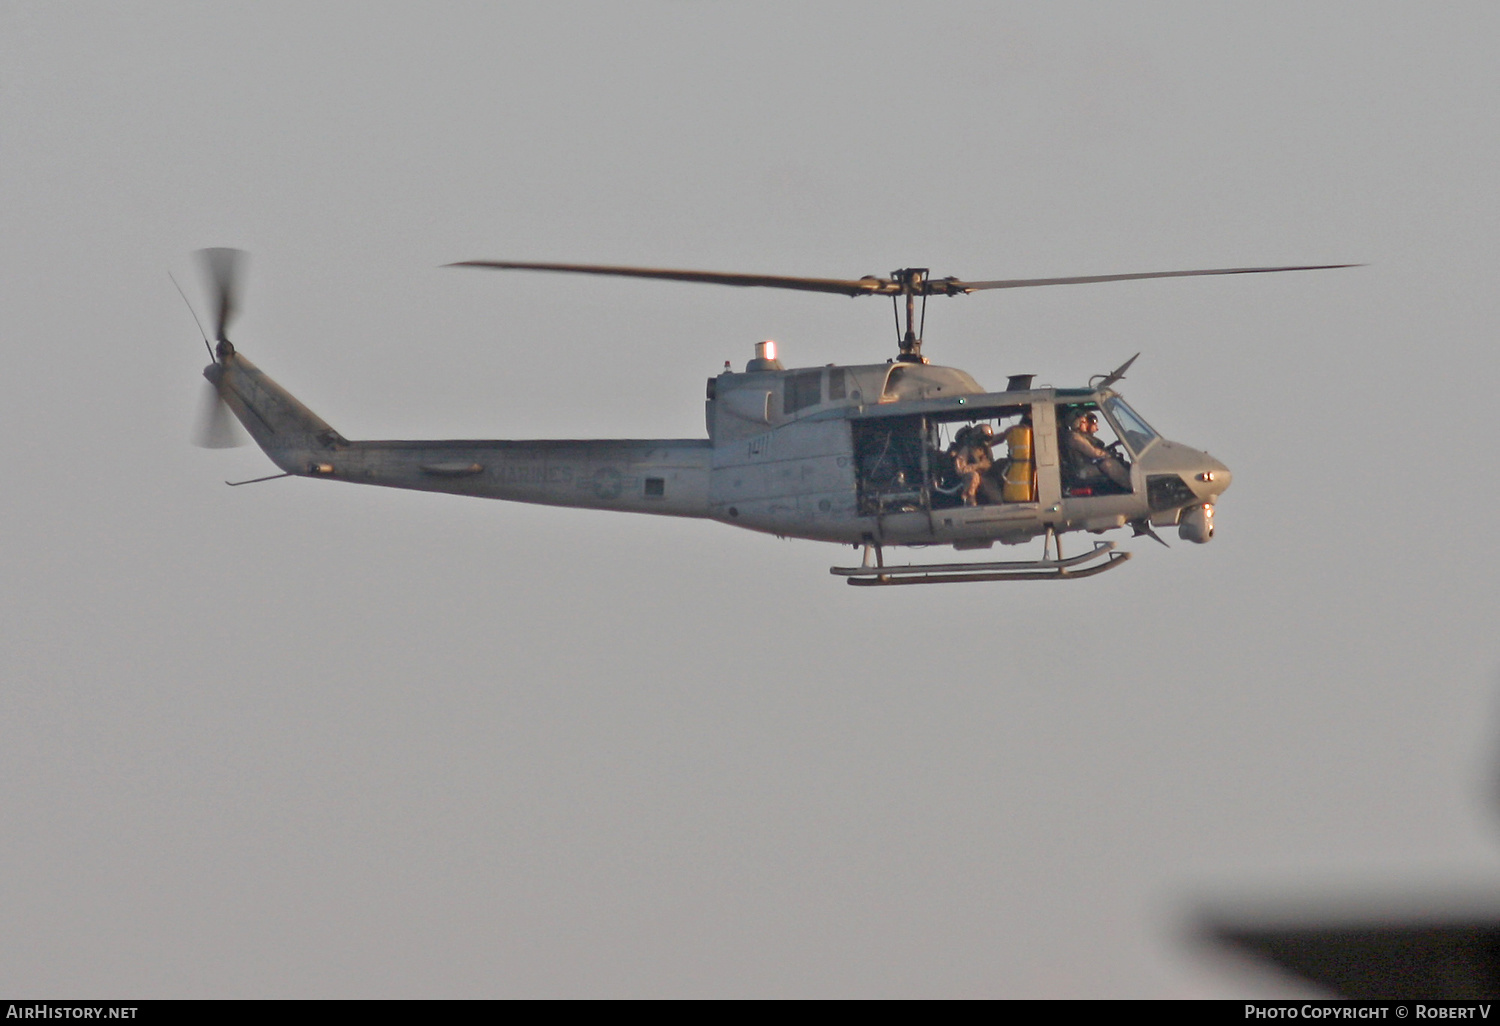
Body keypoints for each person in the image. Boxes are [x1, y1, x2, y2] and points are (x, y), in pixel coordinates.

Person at [1062, 408, 1131, 491]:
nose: (1086, 424)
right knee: (1108, 464)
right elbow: (1093, 453)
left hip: (1086, 467)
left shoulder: (1079, 436)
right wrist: (1108, 455)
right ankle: (1131, 487)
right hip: (1083, 471)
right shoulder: (1075, 438)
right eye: (1083, 422)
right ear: (1077, 423)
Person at [950, 423, 995, 506]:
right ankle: (970, 500)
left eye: (987, 439)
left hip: (986, 480)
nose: (985, 442)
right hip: (966, 481)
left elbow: (990, 465)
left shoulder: (987, 450)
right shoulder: (967, 449)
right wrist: (979, 465)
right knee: (974, 476)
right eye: (983, 438)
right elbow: (960, 469)